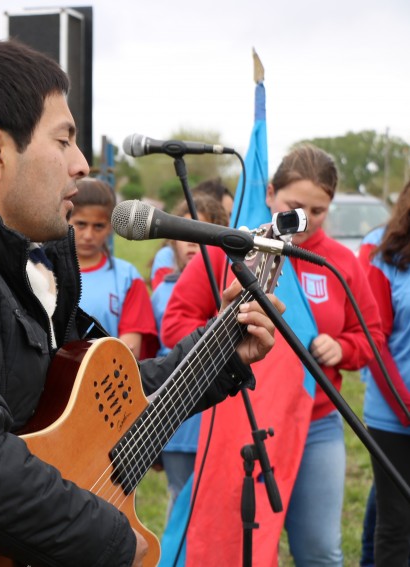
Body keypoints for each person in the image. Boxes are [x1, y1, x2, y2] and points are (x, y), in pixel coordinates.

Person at [0, 39, 282, 567]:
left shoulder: (19, 257)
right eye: (64, 140)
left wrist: (222, 353)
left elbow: (91, 412)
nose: (81, 165)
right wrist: (115, 543)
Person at [161, 144, 383, 566]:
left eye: (318, 211)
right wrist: (221, 339)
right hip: (238, 418)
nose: (306, 220)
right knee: (235, 547)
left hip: (316, 422)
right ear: (269, 193)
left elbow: (369, 334)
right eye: (295, 206)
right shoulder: (226, 246)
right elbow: (176, 322)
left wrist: (344, 348)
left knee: (320, 550)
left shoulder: (338, 262)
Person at [151, 194, 229, 512]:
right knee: (180, 501)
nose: (194, 243)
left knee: (216, 503)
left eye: (205, 234)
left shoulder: (227, 287)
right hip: (174, 420)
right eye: (187, 233)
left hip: (217, 415)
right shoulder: (161, 291)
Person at [358, 179, 410, 565]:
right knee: (397, 520)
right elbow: (376, 345)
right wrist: (407, 407)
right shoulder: (385, 261)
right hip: (393, 421)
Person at [69, 177, 158, 359]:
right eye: (81, 224)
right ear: (66, 219)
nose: (88, 235)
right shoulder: (43, 270)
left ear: (111, 227)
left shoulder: (127, 278)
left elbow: (128, 351)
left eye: (98, 226)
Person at [150, 178, 234, 290]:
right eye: (185, 234)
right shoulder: (167, 263)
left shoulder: (231, 275)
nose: (191, 242)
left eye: (231, 215)